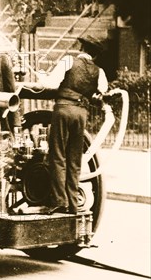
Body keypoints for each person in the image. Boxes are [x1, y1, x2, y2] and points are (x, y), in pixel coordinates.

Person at [37, 35, 109, 215]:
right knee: (74, 159)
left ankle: (59, 201)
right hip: (81, 114)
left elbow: (51, 83)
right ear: (95, 55)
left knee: (58, 156)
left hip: (63, 109)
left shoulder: (69, 61)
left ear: (81, 48)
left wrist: (41, 76)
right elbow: (102, 91)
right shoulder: (99, 71)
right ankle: (73, 204)